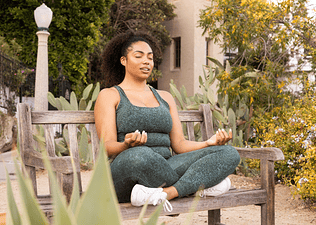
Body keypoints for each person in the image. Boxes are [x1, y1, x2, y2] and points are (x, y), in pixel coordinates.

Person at [94, 31, 240, 212]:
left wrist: (208, 143)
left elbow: (179, 145)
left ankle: (168, 193)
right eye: (138, 56)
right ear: (123, 60)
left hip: (166, 167)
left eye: (150, 57)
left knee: (229, 153)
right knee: (141, 155)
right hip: (127, 170)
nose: (146, 61)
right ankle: (195, 186)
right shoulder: (110, 95)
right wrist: (126, 145)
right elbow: (106, 146)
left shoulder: (165, 97)